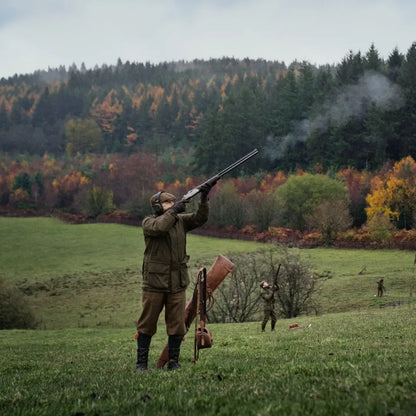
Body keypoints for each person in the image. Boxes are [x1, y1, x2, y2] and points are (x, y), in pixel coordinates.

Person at [136, 183, 214, 371]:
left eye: (173, 201)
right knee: (147, 323)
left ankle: (173, 362)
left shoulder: (180, 221)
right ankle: (141, 364)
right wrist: (174, 211)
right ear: (156, 207)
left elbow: (200, 218)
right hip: (155, 283)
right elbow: (161, 228)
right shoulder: (149, 223)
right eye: (167, 202)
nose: (172, 204)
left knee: (177, 324)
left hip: (177, 282)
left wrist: (203, 198)